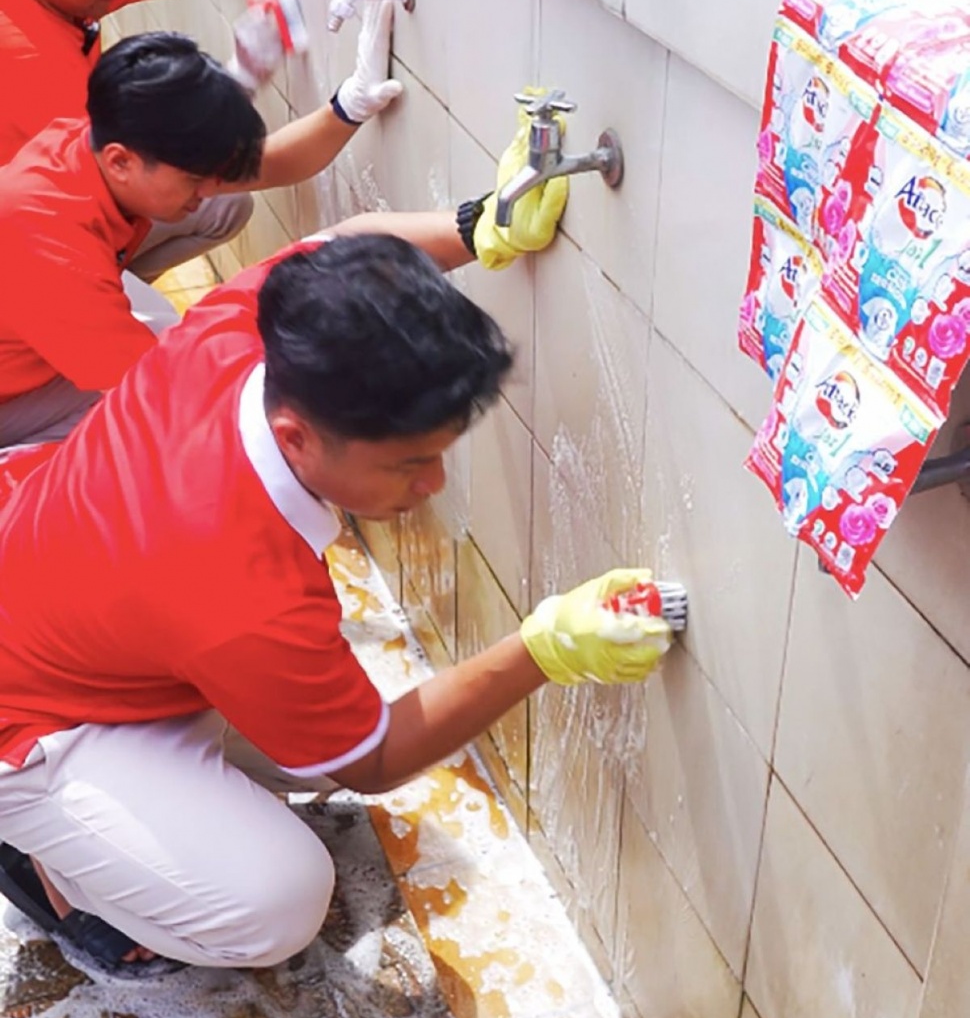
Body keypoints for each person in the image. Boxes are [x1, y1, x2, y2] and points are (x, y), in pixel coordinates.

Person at [0, 227, 675, 972]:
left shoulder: (248, 331)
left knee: (323, 738)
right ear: (295, 438)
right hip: (32, 725)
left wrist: (476, 224)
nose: (433, 486)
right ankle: (58, 871)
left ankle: (137, 798)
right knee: (278, 898)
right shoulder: (237, 583)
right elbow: (375, 760)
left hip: (67, 600)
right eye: (409, 464)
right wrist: (541, 649)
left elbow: (341, 244)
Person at [0, 0, 397, 295]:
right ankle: (100, 291)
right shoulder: (31, 69)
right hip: (32, 268)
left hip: (41, 226)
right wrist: (347, 105)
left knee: (217, 205)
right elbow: (240, 167)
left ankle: (111, 286)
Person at [0, 27, 400, 445]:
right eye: (195, 178)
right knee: (157, 419)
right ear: (121, 162)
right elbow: (168, 391)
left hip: (43, 313)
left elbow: (273, 162)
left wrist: (350, 103)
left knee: (224, 207)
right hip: (11, 395)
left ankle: (94, 331)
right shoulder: (50, 250)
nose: (209, 187)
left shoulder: (103, 140)